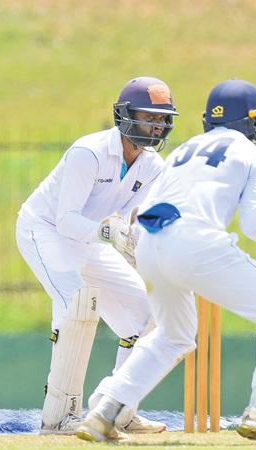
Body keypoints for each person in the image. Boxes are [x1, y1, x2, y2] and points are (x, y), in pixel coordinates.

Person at [74, 79, 256, 444]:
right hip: (194, 242)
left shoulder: (183, 149)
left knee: (173, 337)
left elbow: (141, 210)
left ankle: (104, 414)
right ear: (251, 122)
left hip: (149, 243)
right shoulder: (252, 155)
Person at [15, 76, 178, 435]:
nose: (158, 126)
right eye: (150, 117)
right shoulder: (87, 153)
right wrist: (109, 232)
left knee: (149, 316)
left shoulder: (154, 166)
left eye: (163, 119)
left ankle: (116, 408)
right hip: (45, 231)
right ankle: (60, 415)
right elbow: (66, 220)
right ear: (125, 115)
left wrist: (139, 246)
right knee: (77, 305)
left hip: (92, 241)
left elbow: (134, 222)